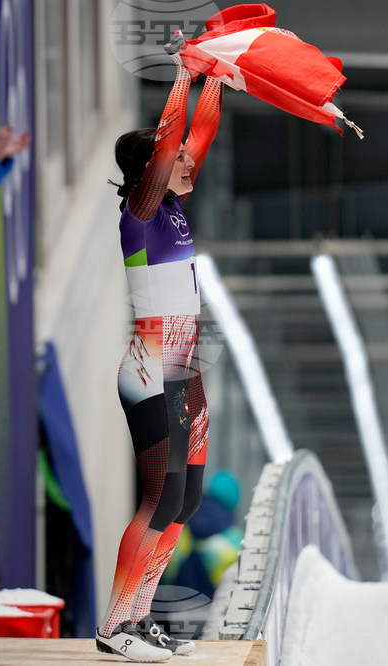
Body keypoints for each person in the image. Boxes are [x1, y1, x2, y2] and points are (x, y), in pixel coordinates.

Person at [96, 36, 222, 661]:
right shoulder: (139, 216)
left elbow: (198, 134)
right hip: (150, 369)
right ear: (152, 170)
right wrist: (182, 72)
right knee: (160, 497)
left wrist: (217, 77)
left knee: (189, 498)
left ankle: (141, 617)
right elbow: (177, 136)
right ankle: (116, 624)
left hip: (184, 372)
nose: (190, 163)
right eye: (176, 160)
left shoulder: (169, 205)